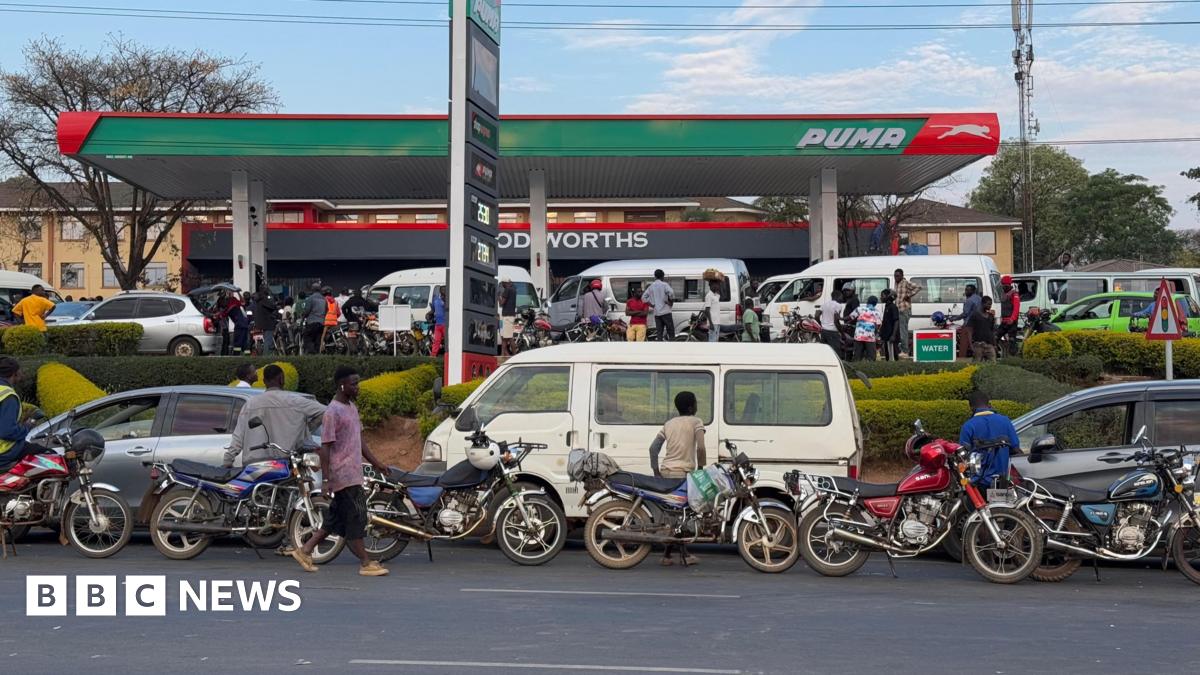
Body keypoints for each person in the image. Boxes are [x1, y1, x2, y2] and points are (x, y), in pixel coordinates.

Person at [293, 366, 390, 576]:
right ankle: (366, 563)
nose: (358, 387)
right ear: (342, 385)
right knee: (356, 517)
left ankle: (305, 550)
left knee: (335, 518)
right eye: (354, 384)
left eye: (358, 383)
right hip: (342, 475)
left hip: (354, 472)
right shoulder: (332, 412)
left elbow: (359, 440)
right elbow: (325, 448)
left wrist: (376, 463)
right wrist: (327, 479)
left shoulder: (351, 407)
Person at [224, 364, 326, 467]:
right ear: (281, 379)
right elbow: (326, 411)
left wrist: (227, 461)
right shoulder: (295, 402)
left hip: (255, 466)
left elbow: (238, 436)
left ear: (264, 381)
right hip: (286, 464)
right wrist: (308, 428)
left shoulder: (250, 404)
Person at [647, 391, 706, 566]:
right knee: (682, 516)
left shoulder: (669, 424)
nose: (697, 406)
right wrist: (700, 470)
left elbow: (653, 449)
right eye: (695, 403)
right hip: (683, 475)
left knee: (673, 516)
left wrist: (656, 471)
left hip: (666, 474)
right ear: (690, 407)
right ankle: (684, 555)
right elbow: (701, 448)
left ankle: (667, 555)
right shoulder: (696, 422)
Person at [959, 390, 1020, 489]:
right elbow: (1015, 448)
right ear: (989, 404)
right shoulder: (1005, 421)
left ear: (971, 408)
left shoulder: (968, 426)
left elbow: (963, 456)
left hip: (979, 482)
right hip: (1003, 481)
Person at [0, 358, 48, 470]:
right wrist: (27, 426)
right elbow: (6, 431)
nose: (22, 373)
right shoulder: (8, 396)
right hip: (5, 452)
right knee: (49, 456)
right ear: (14, 373)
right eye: (20, 370)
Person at [893, 269, 921, 357]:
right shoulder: (896, 283)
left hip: (904, 309)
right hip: (898, 309)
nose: (896, 277)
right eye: (895, 276)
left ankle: (905, 351)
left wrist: (908, 295)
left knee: (903, 331)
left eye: (897, 276)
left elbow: (918, 287)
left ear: (902, 275)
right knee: (899, 331)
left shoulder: (905, 282)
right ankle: (902, 349)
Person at [643, 269, 676, 341]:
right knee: (670, 331)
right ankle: (672, 347)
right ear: (662, 276)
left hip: (657, 313)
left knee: (659, 333)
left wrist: (652, 305)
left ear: (655, 276)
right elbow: (672, 293)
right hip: (666, 312)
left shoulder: (651, 286)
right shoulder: (664, 285)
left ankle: (659, 348)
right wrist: (670, 303)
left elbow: (643, 298)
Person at [952, 284, 982, 358]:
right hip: (978, 323)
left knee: (963, 343)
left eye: (968, 290)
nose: (966, 291)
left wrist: (954, 318)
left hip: (968, 324)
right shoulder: (979, 298)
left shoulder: (969, 300)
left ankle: (962, 359)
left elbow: (965, 314)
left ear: (973, 291)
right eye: (966, 290)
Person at [849, 295, 881, 362]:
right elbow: (878, 325)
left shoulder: (859, 309)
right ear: (875, 304)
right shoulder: (877, 312)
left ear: (867, 302)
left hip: (859, 336)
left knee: (857, 357)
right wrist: (877, 335)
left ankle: (856, 369)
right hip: (870, 337)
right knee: (871, 358)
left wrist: (840, 318)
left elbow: (850, 317)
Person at [996, 275, 1021, 357]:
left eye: (1004, 285)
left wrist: (1012, 319)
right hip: (1004, 321)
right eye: (1002, 285)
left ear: (1009, 285)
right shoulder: (1004, 294)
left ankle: (1013, 357)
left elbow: (1016, 309)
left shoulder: (1014, 295)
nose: (1003, 287)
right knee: (995, 337)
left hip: (1011, 322)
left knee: (1012, 341)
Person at [968, 296, 997, 362]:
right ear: (982, 304)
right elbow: (969, 331)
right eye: (988, 304)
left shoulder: (991, 316)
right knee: (976, 366)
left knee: (993, 365)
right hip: (978, 345)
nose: (990, 306)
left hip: (989, 345)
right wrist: (971, 345)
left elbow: (992, 331)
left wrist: (995, 345)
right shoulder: (975, 315)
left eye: (991, 304)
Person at [817, 289, 844, 358]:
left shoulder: (824, 304)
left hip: (824, 331)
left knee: (824, 351)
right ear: (837, 296)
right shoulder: (838, 305)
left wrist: (820, 324)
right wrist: (842, 332)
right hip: (833, 332)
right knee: (836, 352)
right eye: (841, 296)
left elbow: (816, 316)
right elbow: (836, 321)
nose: (842, 298)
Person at [253, 289, 279, 356]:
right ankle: (266, 357)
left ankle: (265, 354)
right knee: (268, 341)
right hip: (268, 323)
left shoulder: (257, 300)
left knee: (266, 340)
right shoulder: (264, 299)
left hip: (260, 323)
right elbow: (272, 306)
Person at [302, 284, 326, 355]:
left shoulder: (310, 298)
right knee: (318, 340)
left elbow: (307, 311)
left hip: (312, 322)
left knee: (307, 338)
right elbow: (326, 310)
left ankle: (311, 352)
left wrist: (303, 316)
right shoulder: (324, 299)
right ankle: (317, 356)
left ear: (312, 289)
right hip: (321, 323)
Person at [498, 277, 518, 356]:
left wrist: (498, 297)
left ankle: (513, 355)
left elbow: (501, 303)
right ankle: (503, 354)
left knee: (509, 337)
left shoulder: (507, 290)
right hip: (508, 316)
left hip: (507, 317)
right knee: (504, 337)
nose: (502, 285)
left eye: (502, 283)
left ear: (505, 283)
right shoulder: (513, 290)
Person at [879, 289, 900, 361]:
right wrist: (881, 333)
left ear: (888, 296)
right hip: (886, 336)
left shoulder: (893, 307)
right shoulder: (886, 306)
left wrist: (893, 335)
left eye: (882, 296)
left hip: (891, 336)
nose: (881, 297)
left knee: (892, 357)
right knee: (888, 356)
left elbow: (896, 321)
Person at [703, 278, 724, 342]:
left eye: (718, 285)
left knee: (716, 340)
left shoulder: (716, 295)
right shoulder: (709, 296)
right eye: (717, 285)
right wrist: (711, 323)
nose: (718, 286)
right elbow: (707, 310)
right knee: (712, 341)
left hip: (717, 322)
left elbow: (721, 295)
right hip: (713, 323)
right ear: (712, 285)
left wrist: (719, 283)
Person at [320, 287, 340, 353]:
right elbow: (338, 313)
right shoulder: (335, 301)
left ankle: (321, 347)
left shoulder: (323, 300)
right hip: (334, 322)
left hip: (326, 321)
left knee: (322, 335)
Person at [430, 286, 447, 357]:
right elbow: (433, 310)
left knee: (448, 341)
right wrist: (429, 314)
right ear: (440, 291)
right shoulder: (436, 300)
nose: (444, 291)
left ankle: (448, 355)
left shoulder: (447, 300)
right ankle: (433, 356)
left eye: (445, 290)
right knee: (436, 341)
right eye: (442, 290)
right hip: (438, 325)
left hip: (445, 324)